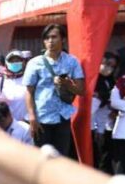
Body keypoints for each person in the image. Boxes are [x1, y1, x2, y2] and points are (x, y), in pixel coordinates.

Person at [24, 24, 85, 156]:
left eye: (54, 37)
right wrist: (32, 117)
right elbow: (29, 92)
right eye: (46, 38)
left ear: (63, 39)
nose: (50, 41)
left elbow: (81, 90)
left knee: (61, 157)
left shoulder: (72, 61)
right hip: (42, 117)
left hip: (63, 116)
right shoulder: (34, 63)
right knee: (41, 157)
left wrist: (66, 84)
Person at [92, 51, 119, 173]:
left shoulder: (112, 81)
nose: (108, 68)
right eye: (106, 63)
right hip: (92, 127)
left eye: (112, 66)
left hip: (107, 126)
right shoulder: (94, 81)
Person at [0, 50, 29, 122]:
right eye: (12, 61)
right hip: (7, 125)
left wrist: (26, 119)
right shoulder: (0, 80)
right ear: (6, 63)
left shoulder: (29, 78)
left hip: (26, 124)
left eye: (18, 60)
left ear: (23, 62)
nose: (15, 63)